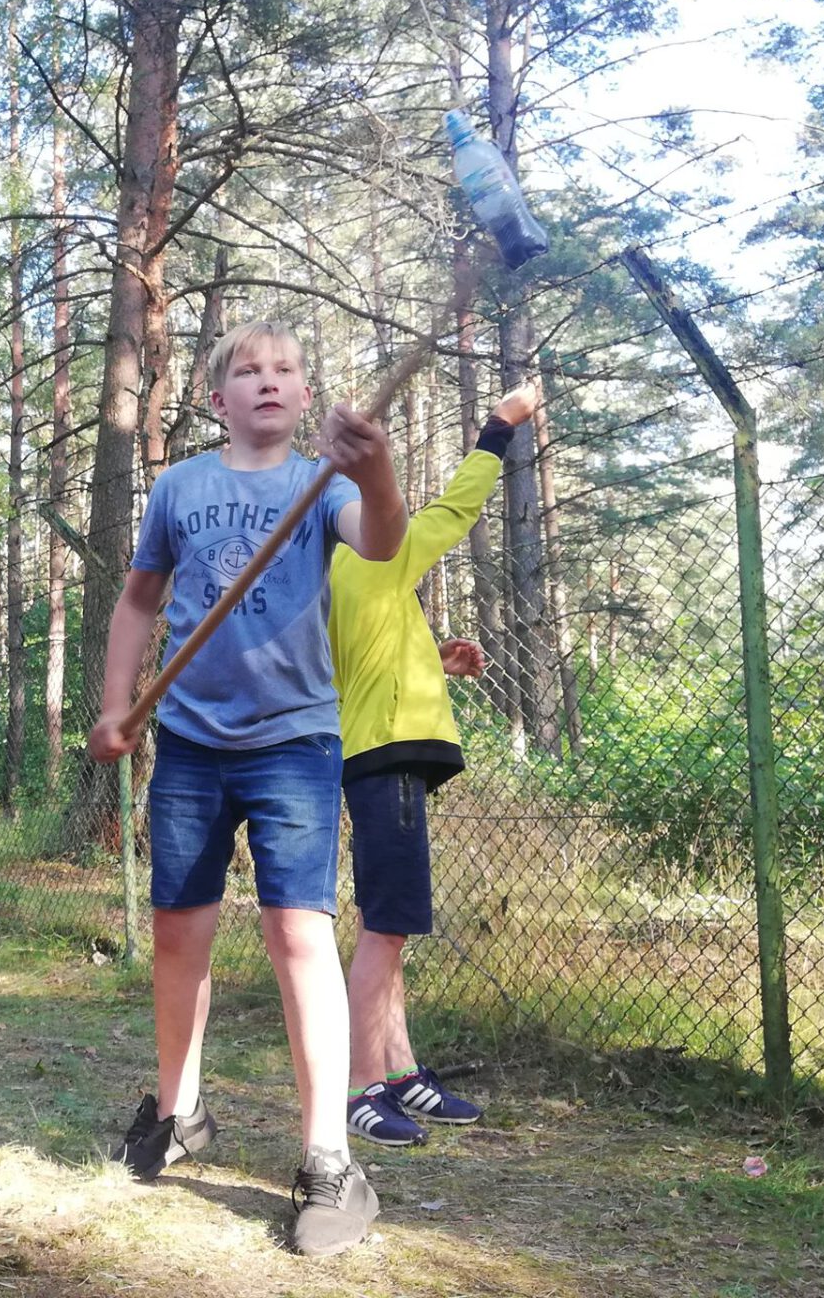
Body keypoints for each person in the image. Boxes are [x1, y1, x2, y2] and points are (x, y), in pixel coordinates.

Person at [88, 319, 407, 1259]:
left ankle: (329, 1159)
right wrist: (116, 705)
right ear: (216, 397)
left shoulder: (327, 482)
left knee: (297, 933)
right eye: (248, 371)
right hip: (189, 741)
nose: (269, 381)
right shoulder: (180, 487)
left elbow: (382, 543)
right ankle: (179, 1112)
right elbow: (138, 601)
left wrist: (378, 471)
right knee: (177, 932)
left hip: (294, 741)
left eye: (286, 369)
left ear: (305, 395)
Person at [331, 382, 536, 1147]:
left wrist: (432, 661)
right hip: (386, 758)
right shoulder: (375, 554)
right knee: (385, 930)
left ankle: (400, 1070)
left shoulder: (337, 574)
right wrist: (500, 426)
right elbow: (458, 507)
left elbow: (359, 665)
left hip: (375, 753)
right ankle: (361, 1086)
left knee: (389, 927)